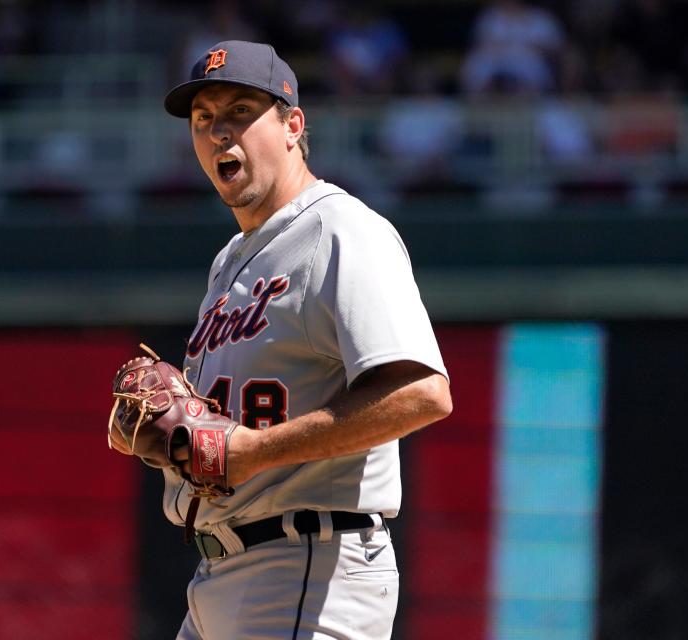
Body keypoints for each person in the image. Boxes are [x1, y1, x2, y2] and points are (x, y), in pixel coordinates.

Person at [126, 40, 452, 639]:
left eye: (239, 112)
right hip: (219, 573)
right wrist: (178, 441)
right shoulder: (231, 260)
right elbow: (231, 434)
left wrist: (254, 450)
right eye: (204, 119)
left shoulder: (340, 228)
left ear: (292, 125)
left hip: (308, 562)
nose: (219, 132)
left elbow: (422, 392)